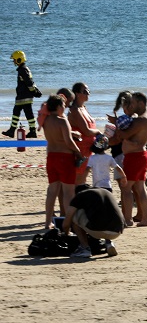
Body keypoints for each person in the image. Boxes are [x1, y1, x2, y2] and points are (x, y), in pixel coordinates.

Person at [42, 95, 83, 230]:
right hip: (65, 158)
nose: (65, 107)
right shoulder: (62, 120)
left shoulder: (46, 120)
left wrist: (72, 133)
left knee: (52, 190)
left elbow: (60, 135)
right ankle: (69, 221)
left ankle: (48, 221)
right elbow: (68, 141)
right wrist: (78, 151)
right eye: (63, 105)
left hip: (52, 157)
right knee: (68, 192)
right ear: (59, 106)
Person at [114, 92, 147, 226]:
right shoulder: (145, 117)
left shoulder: (140, 120)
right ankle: (144, 219)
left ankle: (128, 219)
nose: (131, 106)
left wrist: (116, 125)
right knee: (140, 188)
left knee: (126, 188)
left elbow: (124, 134)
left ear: (141, 104)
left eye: (133, 103)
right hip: (139, 155)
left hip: (135, 156)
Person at [63, 184, 124, 258]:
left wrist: (66, 233)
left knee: (74, 215)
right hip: (117, 231)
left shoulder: (79, 195)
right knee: (104, 212)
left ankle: (85, 248)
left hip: (98, 230)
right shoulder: (106, 192)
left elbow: (66, 223)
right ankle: (108, 243)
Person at [3, 50, 42, 139]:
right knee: (25, 113)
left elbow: (29, 82)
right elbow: (31, 82)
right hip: (24, 95)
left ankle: (14, 130)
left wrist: (34, 91)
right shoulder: (24, 69)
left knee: (18, 112)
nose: (14, 61)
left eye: (15, 60)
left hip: (23, 96)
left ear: (19, 60)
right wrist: (35, 91)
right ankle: (30, 131)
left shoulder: (22, 70)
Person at [67, 82, 101, 185]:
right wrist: (98, 132)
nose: (88, 93)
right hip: (79, 151)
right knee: (78, 180)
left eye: (89, 91)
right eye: (85, 91)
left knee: (83, 179)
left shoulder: (83, 108)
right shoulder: (75, 110)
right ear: (77, 94)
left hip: (88, 150)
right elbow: (86, 130)